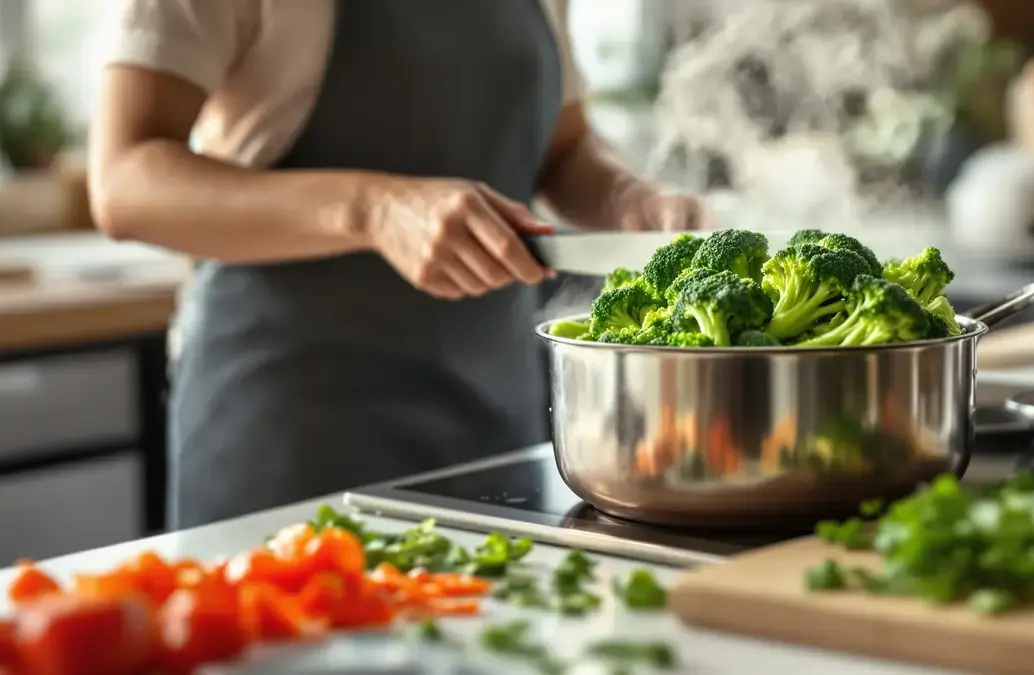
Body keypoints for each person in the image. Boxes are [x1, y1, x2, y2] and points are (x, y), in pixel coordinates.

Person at [90, 0, 708, 529]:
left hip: (497, 422)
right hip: (293, 429)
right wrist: (373, 208)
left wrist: (628, 198)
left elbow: (565, 147)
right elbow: (124, 179)